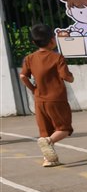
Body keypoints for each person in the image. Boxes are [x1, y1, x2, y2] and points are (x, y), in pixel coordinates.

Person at [18, 24, 74, 167]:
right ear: (52, 40)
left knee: (45, 130)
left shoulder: (29, 58)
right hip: (57, 98)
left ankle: (49, 159)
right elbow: (65, 76)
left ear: (34, 42)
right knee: (64, 128)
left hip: (39, 99)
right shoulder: (57, 57)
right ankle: (49, 142)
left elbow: (23, 76)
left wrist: (33, 89)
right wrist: (71, 77)